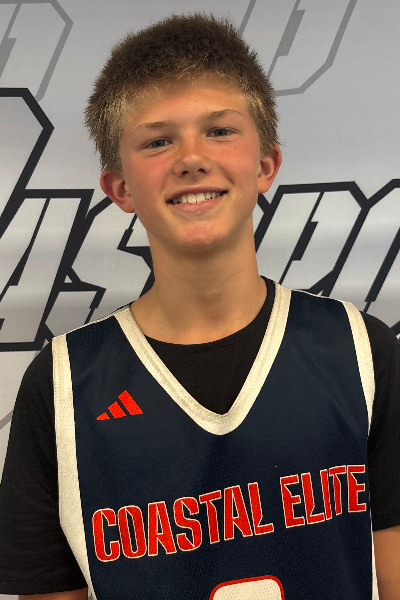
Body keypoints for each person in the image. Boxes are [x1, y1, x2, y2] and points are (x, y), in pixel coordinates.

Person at [0, 12, 399, 600]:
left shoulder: (361, 350)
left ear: (266, 165)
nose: (191, 158)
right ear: (120, 188)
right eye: (158, 141)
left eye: (219, 131)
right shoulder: (61, 386)